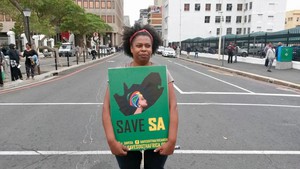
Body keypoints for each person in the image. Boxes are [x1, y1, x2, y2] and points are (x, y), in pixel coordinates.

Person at [102, 23, 178, 169]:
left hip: (157, 136)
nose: (143, 49)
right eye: (139, 45)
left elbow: (172, 106)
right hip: (126, 138)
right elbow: (107, 108)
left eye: (147, 46)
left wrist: (172, 140)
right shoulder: (118, 75)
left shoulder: (163, 73)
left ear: (152, 48)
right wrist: (112, 141)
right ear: (131, 48)